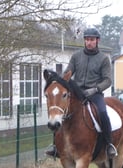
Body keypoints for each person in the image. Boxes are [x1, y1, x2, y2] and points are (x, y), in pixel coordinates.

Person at [45, 27, 117, 159]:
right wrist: (59, 81)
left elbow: (108, 80)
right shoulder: (76, 56)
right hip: (77, 92)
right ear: (84, 41)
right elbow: (68, 72)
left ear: (97, 41)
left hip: (95, 94)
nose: (89, 42)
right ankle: (56, 146)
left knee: (102, 112)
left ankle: (108, 144)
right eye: (87, 40)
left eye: (92, 40)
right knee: (62, 113)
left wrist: (95, 89)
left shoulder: (103, 59)